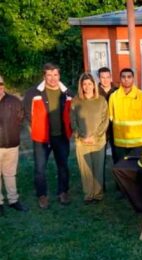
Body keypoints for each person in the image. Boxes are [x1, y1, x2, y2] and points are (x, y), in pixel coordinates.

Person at [23, 63, 74, 209]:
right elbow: (27, 112)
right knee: (40, 168)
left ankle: (63, 192)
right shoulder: (33, 93)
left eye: (55, 75)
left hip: (61, 137)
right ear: (44, 76)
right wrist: (35, 126)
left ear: (59, 75)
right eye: (49, 75)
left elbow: (73, 112)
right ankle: (42, 195)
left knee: (63, 166)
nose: (53, 78)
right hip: (42, 138)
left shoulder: (67, 93)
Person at [70, 73, 109, 204]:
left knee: (98, 167)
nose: (87, 86)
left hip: (98, 141)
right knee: (85, 169)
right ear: (81, 86)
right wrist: (82, 136)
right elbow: (73, 121)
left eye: (90, 84)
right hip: (82, 141)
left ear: (94, 85)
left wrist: (95, 135)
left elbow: (105, 120)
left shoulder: (101, 100)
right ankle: (88, 194)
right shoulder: (76, 101)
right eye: (84, 84)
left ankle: (98, 194)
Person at [108, 68, 142, 162]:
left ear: (133, 79)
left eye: (129, 77)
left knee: (139, 171)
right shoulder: (113, 97)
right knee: (122, 171)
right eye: (123, 77)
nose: (126, 79)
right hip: (120, 143)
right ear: (120, 79)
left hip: (139, 143)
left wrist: (138, 129)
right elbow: (111, 117)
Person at [0, 75, 28, 216]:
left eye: (0, 84)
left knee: (10, 174)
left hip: (11, 144)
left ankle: (13, 200)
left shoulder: (14, 101)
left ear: (3, 85)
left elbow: (21, 117)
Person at [97, 67, 118, 192]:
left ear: (111, 77)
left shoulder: (117, 91)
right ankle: (100, 186)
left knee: (117, 158)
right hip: (100, 129)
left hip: (115, 128)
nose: (105, 80)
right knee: (100, 159)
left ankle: (119, 185)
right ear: (99, 78)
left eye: (107, 77)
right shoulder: (95, 92)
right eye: (102, 77)